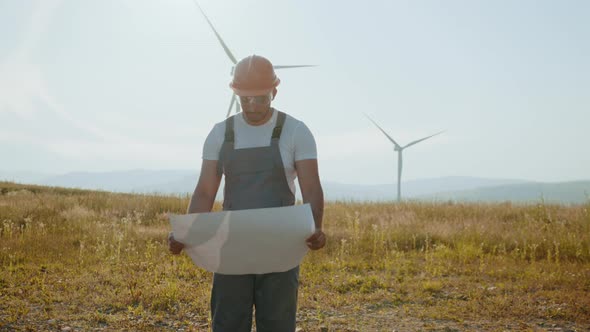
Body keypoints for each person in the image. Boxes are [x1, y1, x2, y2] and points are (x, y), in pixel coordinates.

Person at [168, 54, 326, 332]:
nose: (252, 106)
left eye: (260, 98)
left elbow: (311, 186)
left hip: (281, 246)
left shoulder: (295, 132)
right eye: (245, 99)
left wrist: (316, 227)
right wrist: (187, 231)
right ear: (235, 94)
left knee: (277, 324)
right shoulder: (221, 133)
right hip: (232, 247)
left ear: (274, 92)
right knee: (228, 323)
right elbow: (205, 191)